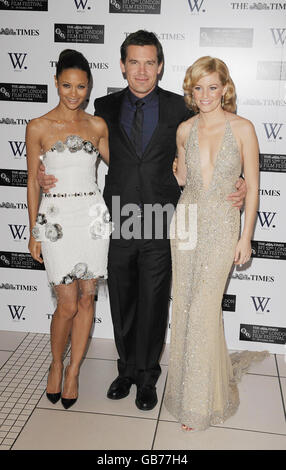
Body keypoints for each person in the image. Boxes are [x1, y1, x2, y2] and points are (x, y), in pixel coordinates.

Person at [38, 31, 246, 411]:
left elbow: (211, 153)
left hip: (162, 220)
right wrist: (43, 172)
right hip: (113, 219)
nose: (142, 70)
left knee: (152, 301)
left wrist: (240, 182)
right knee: (122, 299)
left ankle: (148, 376)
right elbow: (72, 141)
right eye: (134, 62)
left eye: (149, 62)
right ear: (122, 65)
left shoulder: (180, 109)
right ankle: (127, 370)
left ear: (160, 66)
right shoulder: (104, 106)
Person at [164, 56, 268, 431]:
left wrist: (247, 236)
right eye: (198, 87)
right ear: (190, 91)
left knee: (206, 307)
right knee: (187, 306)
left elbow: (252, 185)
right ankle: (185, 390)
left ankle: (199, 405)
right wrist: (177, 173)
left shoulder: (243, 128)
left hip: (223, 225)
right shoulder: (184, 130)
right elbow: (184, 182)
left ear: (225, 88)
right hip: (187, 221)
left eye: (212, 86)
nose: (206, 94)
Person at [26, 49, 111, 409]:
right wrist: (33, 230)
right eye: (66, 85)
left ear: (89, 86)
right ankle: (56, 364)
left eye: (80, 86)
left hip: (92, 217)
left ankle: (74, 370)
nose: (73, 93)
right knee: (66, 304)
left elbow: (125, 166)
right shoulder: (38, 127)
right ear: (56, 83)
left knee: (87, 298)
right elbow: (32, 182)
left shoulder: (97, 126)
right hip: (57, 219)